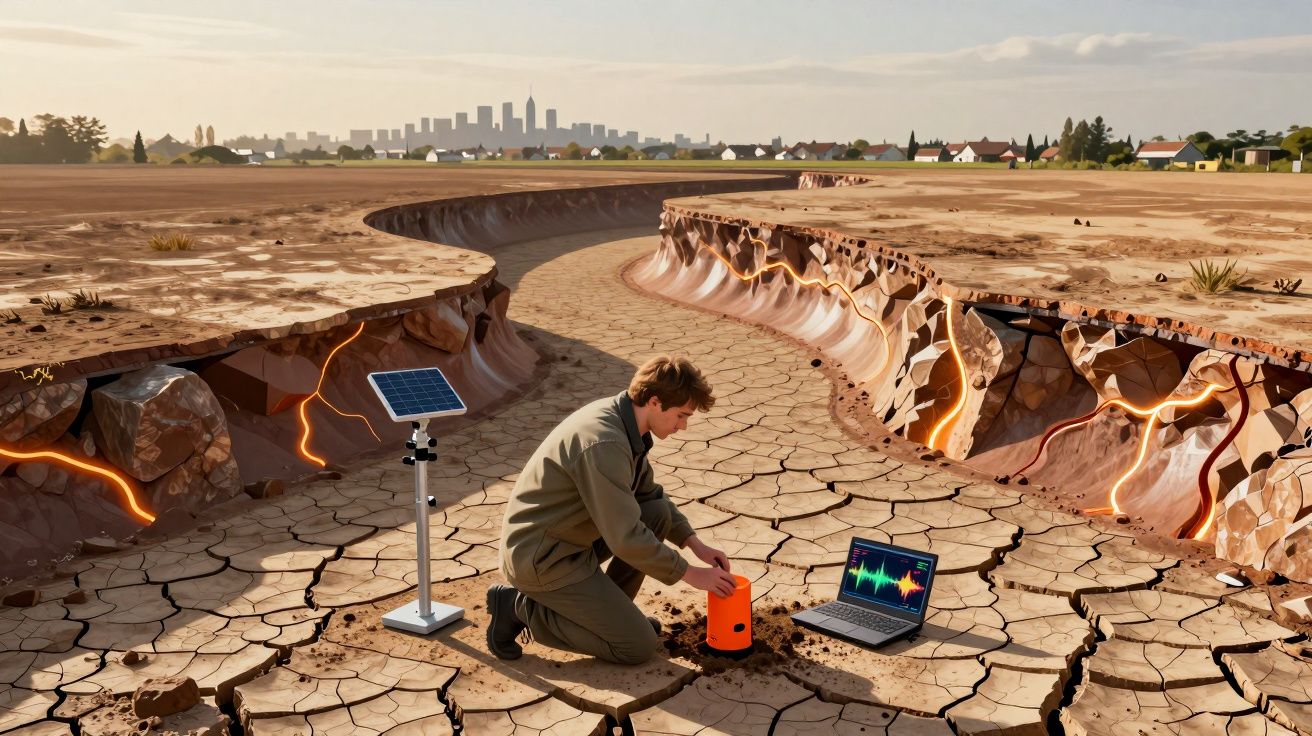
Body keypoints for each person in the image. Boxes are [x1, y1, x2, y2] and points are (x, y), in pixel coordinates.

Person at [487, 355, 737, 665]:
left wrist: (694, 544)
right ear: (655, 402)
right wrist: (691, 573)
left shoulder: (626, 423)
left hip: (571, 541)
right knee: (636, 646)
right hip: (542, 559)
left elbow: (649, 496)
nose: (683, 427)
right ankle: (518, 608)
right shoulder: (605, 442)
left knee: (656, 514)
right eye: (681, 415)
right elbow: (625, 537)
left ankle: (613, 618)